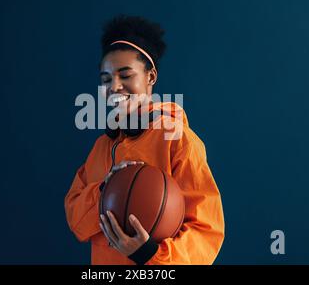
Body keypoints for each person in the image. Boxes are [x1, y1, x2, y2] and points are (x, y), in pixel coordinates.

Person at [65, 15, 225, 265]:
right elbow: (76, 220)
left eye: (125, 75)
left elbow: (207, 231)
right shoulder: (101, 147)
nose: (114, 87)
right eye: (106, 79)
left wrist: (150, 254)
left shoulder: (178, 140)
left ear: (150, 77)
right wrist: (104, 191)